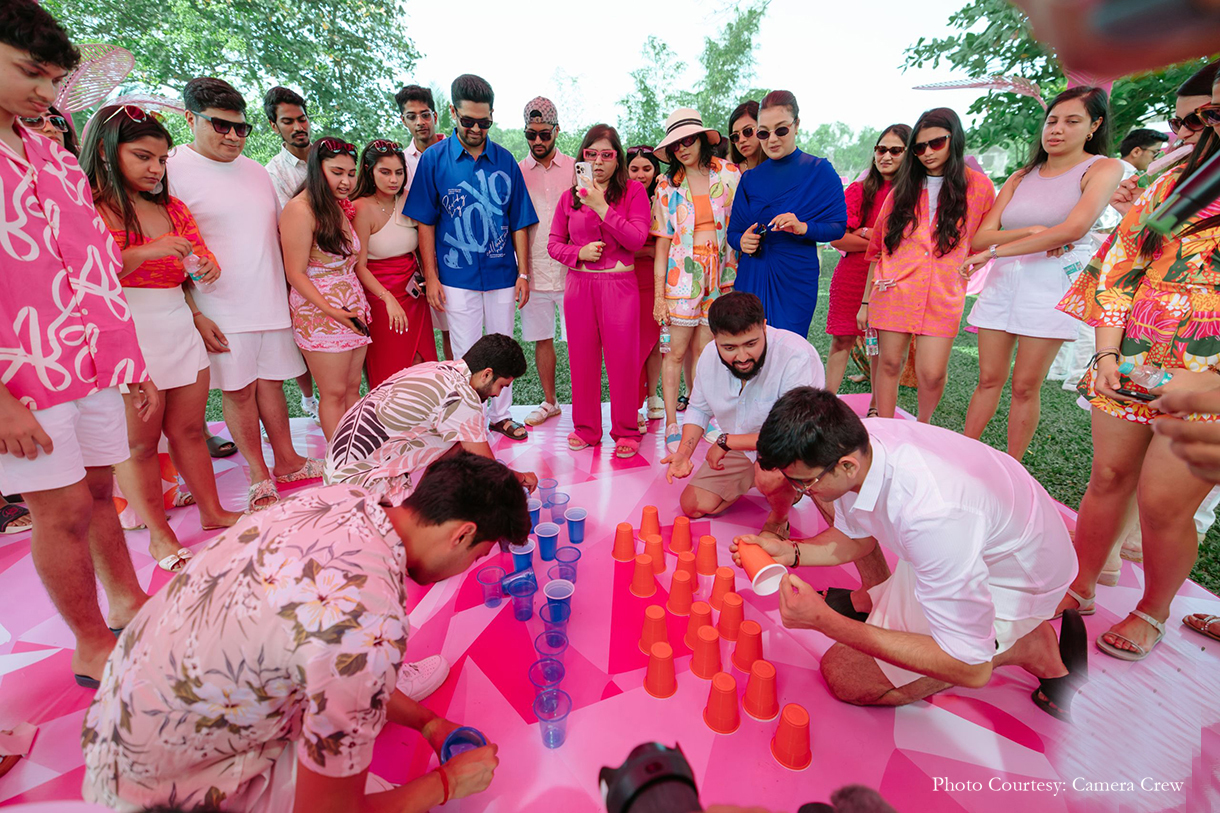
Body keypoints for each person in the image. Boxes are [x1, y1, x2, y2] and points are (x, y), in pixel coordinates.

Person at [82, 452, 521, 812]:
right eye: (478, 555)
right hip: (154, 787)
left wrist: (427, 723)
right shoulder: (371, 624)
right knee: (390, 799)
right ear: (462, 535)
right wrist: (445, 783)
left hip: (118, 723)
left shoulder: (342, 498)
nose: (468, 567)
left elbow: (326, 655)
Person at [736, 388, 1086, 720]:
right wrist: (789, 552)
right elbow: (856, 537)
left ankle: (1024, 644)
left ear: (846, 467)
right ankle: (878, 598)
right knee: (828, 498)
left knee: (844, 675)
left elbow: (971, 668)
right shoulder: (856, 442)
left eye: (802, 483)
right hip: (970, 548)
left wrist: (825, 622)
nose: (798, 491)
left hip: (1012, 581)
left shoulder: (933, 517)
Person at [0, 0, 151, 687]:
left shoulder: (51, 154)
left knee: (97, 491)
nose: (44, 90)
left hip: (90, 360)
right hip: (22, 374)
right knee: (57, 512)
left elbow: (92, 263)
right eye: (31, 72)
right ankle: (91, 642)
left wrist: (129, 359)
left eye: (53, 78)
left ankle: (129, 603)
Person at [1051, 80, 1220, 662]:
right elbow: (1122, 266)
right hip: (1134, 359)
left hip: (1210, 383)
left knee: (1163, 504)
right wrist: (1104, 354)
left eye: (1211, 114)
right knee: (1107, 478)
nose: (1196, 128)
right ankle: (1083, 582)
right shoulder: (1180, 184)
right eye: (1196, 117)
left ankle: (1153, 611)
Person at [81, 104, 243, 570]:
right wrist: (146, 250)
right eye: (143, 156)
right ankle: (159, 535)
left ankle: (212, 512)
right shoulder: (89, 207)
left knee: (190, 430)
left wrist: (204, 274)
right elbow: (91, 272)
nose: (155, 168)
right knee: (138, 445)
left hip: (177, 321)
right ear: (110, 154)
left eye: (162, 158)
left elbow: (193, 261)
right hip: (126, 331)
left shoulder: (173, 207)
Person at [169, 77, 318, 511]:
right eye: (221, 126)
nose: (233, 136)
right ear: (189, 118)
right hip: (220, 306)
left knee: (272, 383)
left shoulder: (255, 171)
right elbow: (166, 239)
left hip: (270, 298)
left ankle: (287, 461)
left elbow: (277, 234)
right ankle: (258, 473)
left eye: (241, 128)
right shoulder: (171, 167)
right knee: (237, 390)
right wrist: (195, 311)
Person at [961, 87, 1123, 460]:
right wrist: (1032, 233)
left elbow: (1073, 229)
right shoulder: (1022, 175)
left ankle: (1012, 467)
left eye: (1071, 121)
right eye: (1051, 121)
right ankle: (965, 456)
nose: (1057, 130)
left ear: (1094, 126)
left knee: (1024, 386)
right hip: (1004, 282)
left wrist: (997, 251)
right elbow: (981, 235)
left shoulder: (1102, 168)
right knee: (988, 379)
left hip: (1050, 285)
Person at [404, 74, 538, 442]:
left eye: (484, 121)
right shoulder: (433, 160)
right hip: (455, 275)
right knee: (466, 353)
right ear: (452, 113)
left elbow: (520, 222)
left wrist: (523, 273)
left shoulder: (505, 160)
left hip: (502, 274)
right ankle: (467, 421)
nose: (477, 128)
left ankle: (501, 415)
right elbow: (425, 224)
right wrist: (431, 276)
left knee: (504, 346)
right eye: (468, 121)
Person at [859, 108, 995, 423]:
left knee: (932, 373)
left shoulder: (979, 188)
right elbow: (880, 249)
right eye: (919, 147)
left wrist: (1043, 237)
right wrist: (866, 301)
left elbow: (988, 235)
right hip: (894, 291)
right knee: (890, 364)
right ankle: (886, 428)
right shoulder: (902, 190)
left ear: (954, 139)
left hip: (943, 294)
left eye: (936, 143)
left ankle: (923, 428)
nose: (927, 153)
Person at [662, 292, 825, 539]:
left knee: (770, 473)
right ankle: (779, 482)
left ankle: (779, 518)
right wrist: (683, 453)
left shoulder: (796, 355)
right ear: (714, 338)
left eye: (751, 344)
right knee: (693, 505)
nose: (741, 357)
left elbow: (793, 434)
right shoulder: (708, 356)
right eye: (729, 347)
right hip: (741, 447)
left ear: (764, 326)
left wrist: (726, 442)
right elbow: (698, 408)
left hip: (794, 447)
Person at [324, 334, 537, 500]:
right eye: (502, 386)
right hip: (360, 486)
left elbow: (463, 449)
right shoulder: (462, 398)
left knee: (460, 446)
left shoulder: (438, 369)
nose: (497, 394)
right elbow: (488, 469)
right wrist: (520, 477)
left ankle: (418, 500)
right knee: (425, 533)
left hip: (338, 470)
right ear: (487, 374)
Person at [548, 124, 650, 456]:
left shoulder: (632, 192)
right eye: (591, 154)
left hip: (620, 287)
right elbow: (553, 244)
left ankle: (626, 430)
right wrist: (577, 253)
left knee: (623, 360)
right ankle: (587, 429)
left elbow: (636, 239)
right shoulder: (568, 198)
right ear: (583, 158)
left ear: (618, 160)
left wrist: (601, 206)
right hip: (579, 287)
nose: (599, 161)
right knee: (582, 359)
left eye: (607, 155)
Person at [652, 108, 744, 453]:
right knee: (675, 352)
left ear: (703, 139)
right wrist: (660, 295)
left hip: (720, 274)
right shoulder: (666, 185)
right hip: (681, 274)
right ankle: (672, 423)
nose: (682, 149)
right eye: (675, 145)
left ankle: (700, 415)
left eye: (688, 140)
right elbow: (662, 242)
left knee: (706, 352)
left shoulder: (730, 174)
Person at [729, 90, 847, 340]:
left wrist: (803, 227)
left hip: (795, 276)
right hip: (753, 274)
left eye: (780, 130)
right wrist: (742, 241)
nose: (771, 139)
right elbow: (734, 232)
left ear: (796, 125)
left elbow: (837, 227)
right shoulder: (750, 179)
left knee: (789, 351)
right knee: (748, 351)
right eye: (763, 132)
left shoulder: (819, 171)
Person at [281, 137, 372, 440]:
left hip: (352, 307)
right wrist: (332, 310)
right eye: (337, 172)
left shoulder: (336, 206)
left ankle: (356, 452)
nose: (346, 180)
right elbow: (295, 273)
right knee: (332, 393)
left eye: (350, 172)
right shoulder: (300, 209)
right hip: (321, 313)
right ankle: (341, 464)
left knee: (350, 389)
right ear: (318, 170)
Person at [825, 124, 911, 395]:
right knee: (842, 339)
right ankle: (827, 401)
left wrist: (862, 233)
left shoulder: (914, 196)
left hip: (891, 281)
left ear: (909, 155)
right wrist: (876, 238)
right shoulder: (858, 190)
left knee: (883, 349)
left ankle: (877, 407)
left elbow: (905, 245)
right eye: (881, 149)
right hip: (851, 277)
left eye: (895, 150)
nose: (886, 156)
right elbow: (837, 238)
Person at [352, 139, 437, 387]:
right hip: (379, 296)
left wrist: (427, 278)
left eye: (399, 172)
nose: (394, 179)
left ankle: (423, 420)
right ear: (369, 171)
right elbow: (359, 265)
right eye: (385, 172)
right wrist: (386, 298)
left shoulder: (410, 199)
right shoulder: (361, 208)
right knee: (392, 366)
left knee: (422, 361)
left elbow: (424, 245)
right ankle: (389, 420)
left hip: (414, 293)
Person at [263, 86, 321, 420]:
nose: (298, 127)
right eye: (288, 121)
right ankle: (309, 398)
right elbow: (290, 224)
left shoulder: (325, 157)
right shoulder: (274, 173)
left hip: (342, 262)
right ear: (275, 126)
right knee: (305, 339)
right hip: (302, 265)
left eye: (302, 119)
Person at [519, 96, 575, 428]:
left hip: (573, 270)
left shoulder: (574, 168)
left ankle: (582, 402)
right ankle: (550, 401)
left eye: (544, 134)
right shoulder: (518, 171)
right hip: (534, 269)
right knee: (542, 338)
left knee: (578, 339)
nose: (538, 141)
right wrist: (521, 271)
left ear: (557, 130)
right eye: (531, 134)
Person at [397, 83, 451, 361]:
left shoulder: (453, 154)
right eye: (412, 116)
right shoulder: (400, 163)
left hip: (453, 253)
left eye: (425, 114)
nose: (420, 122)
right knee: (421, 330)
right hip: (414, 260)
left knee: (452, 329)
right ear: (403, 120)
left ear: (435, 115)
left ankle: (460, 390)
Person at [628, 144, 666, 428]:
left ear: (656, 170)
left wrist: (658, 254)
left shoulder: (664, 198)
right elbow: (620, 245)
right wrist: (650, 252)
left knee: (655, 344)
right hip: (629, 280)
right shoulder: (622, 199)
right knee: (633, 345)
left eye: (647, 168)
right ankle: (633, 403)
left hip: (658, 282)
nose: (641, 174)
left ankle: (653, 396)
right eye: (634, 169)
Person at [727, 100, 765, 170]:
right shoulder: (731, 174)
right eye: (735, 136)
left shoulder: (780, 167)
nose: (741, 140)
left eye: (747, 131)